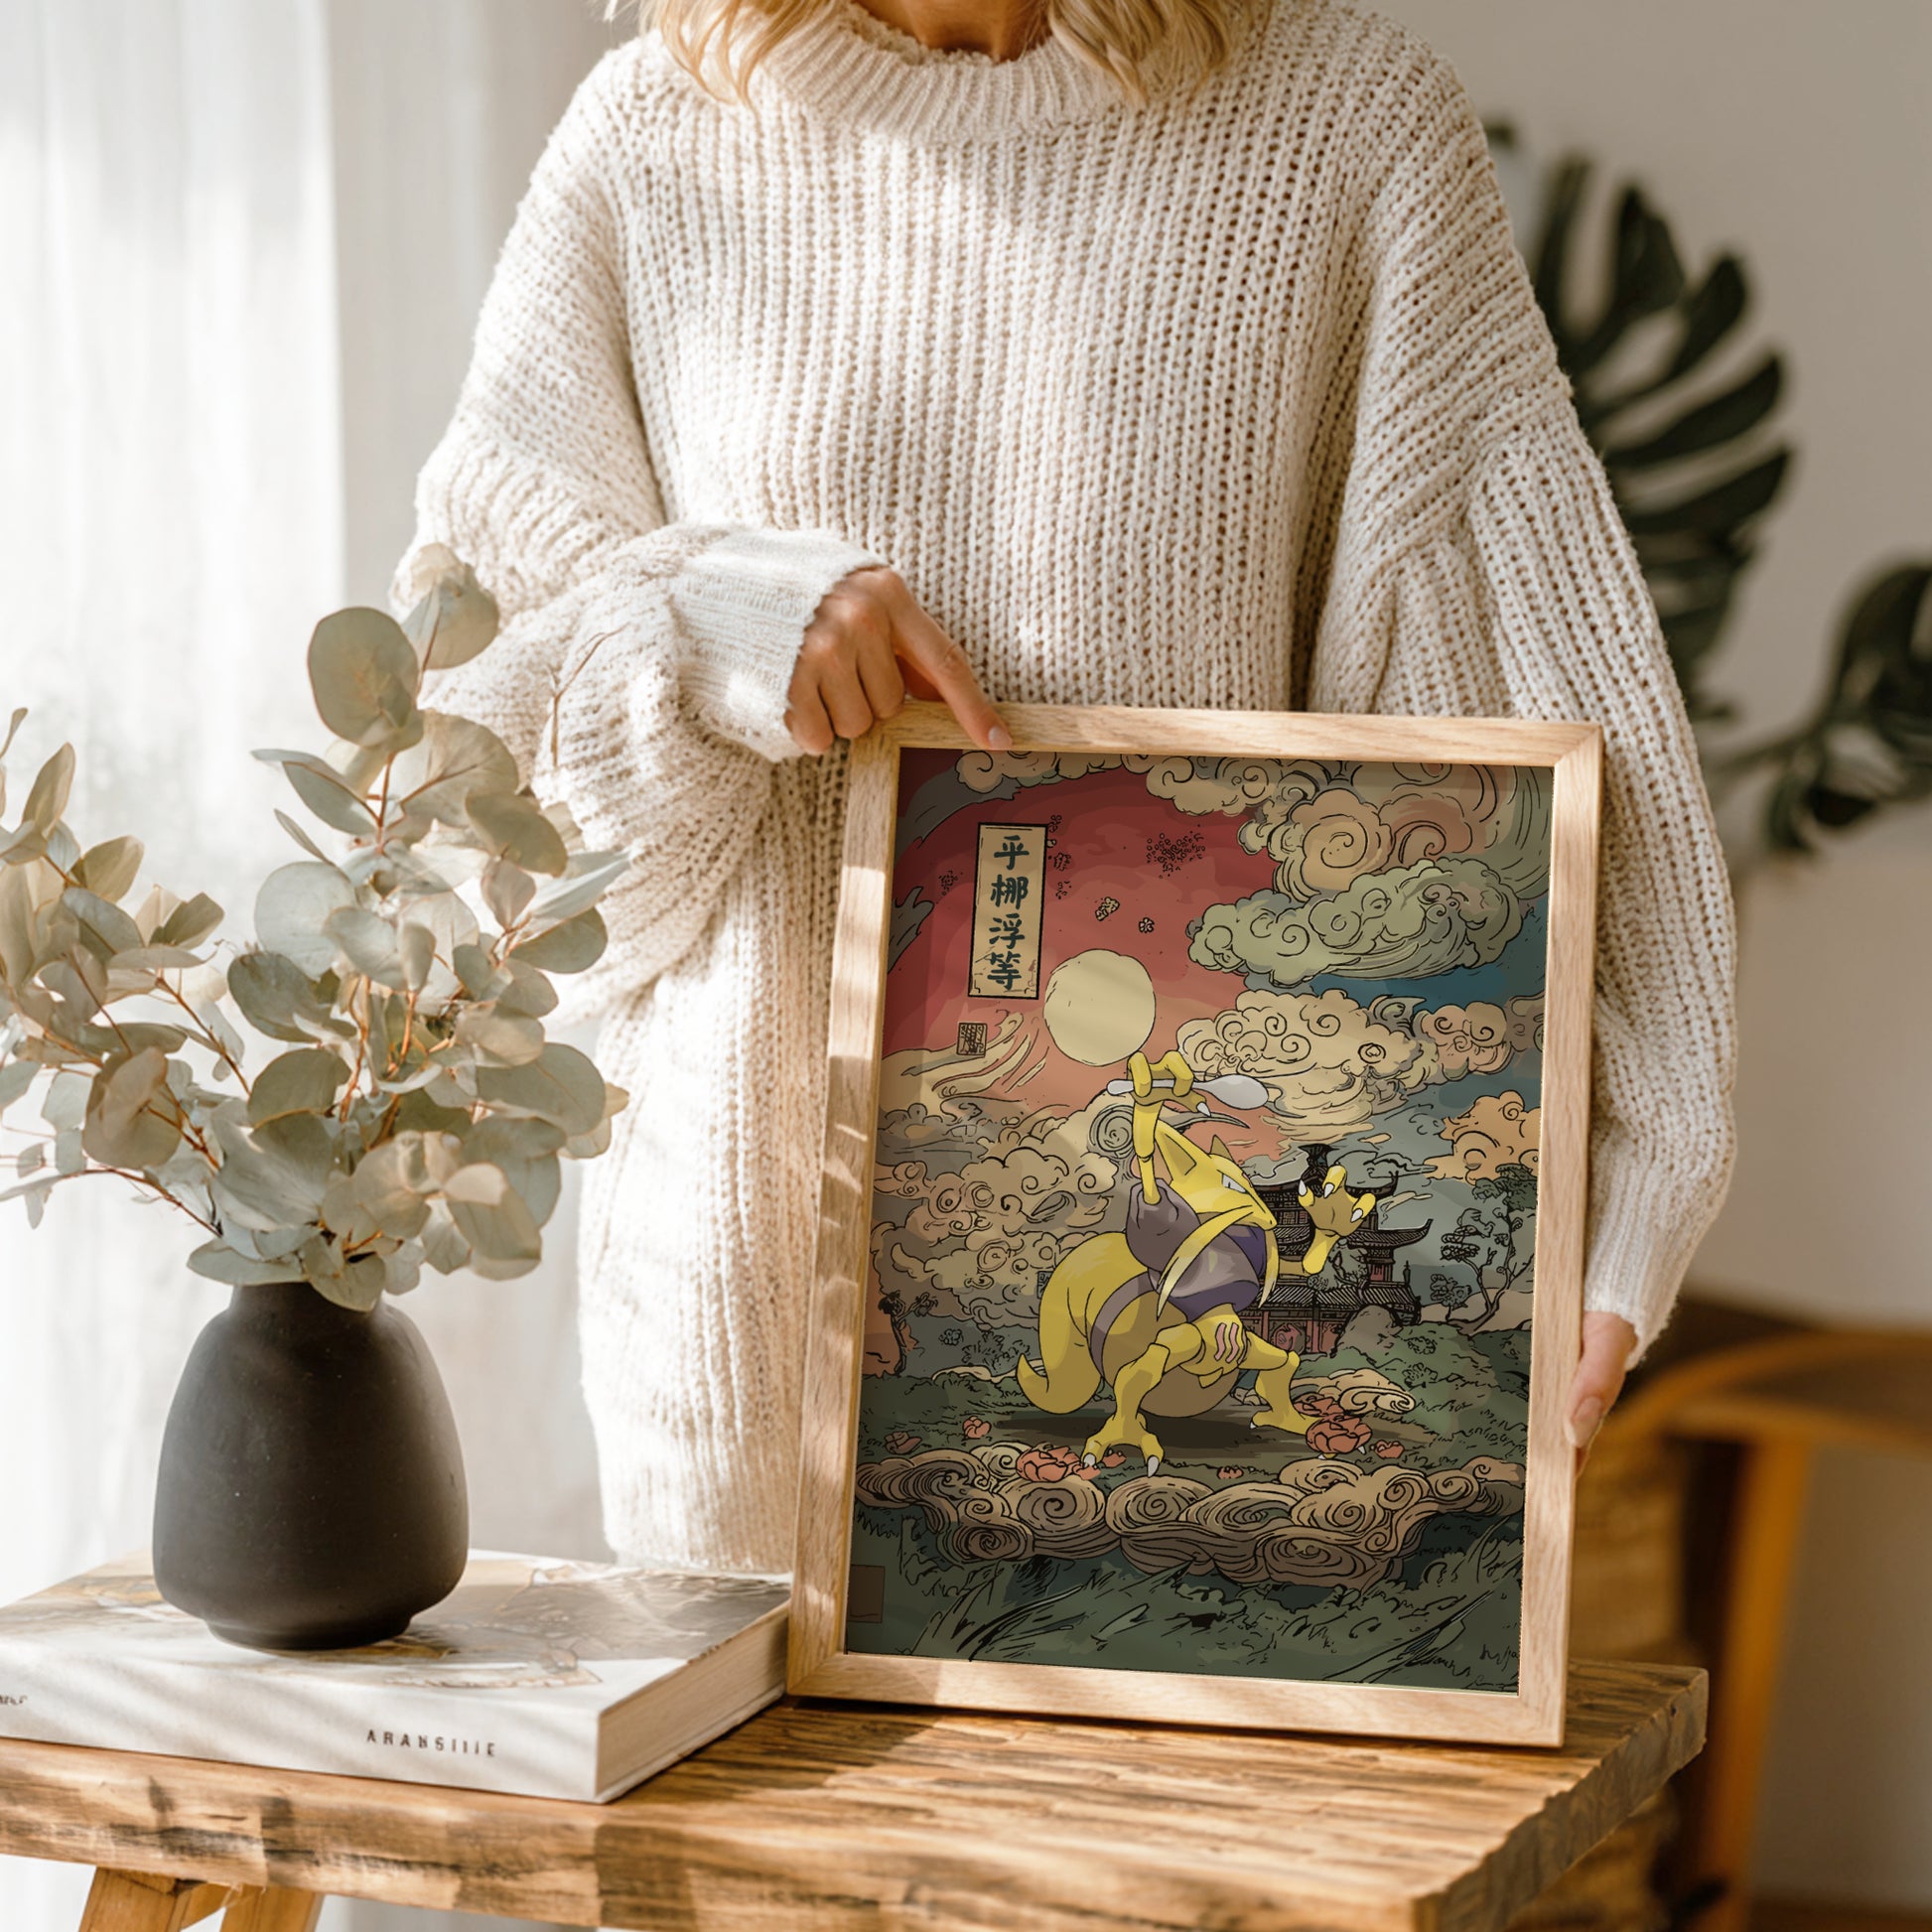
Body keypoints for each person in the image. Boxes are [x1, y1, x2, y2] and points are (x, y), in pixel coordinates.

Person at [393, 0, 1736, 1576]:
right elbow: (468, 817)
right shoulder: (650, 139)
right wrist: (706, 619)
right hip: (740, 1332)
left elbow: (1519, 693)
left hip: (1213, 1348)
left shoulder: (1342, 125)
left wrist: (1628, 1169)